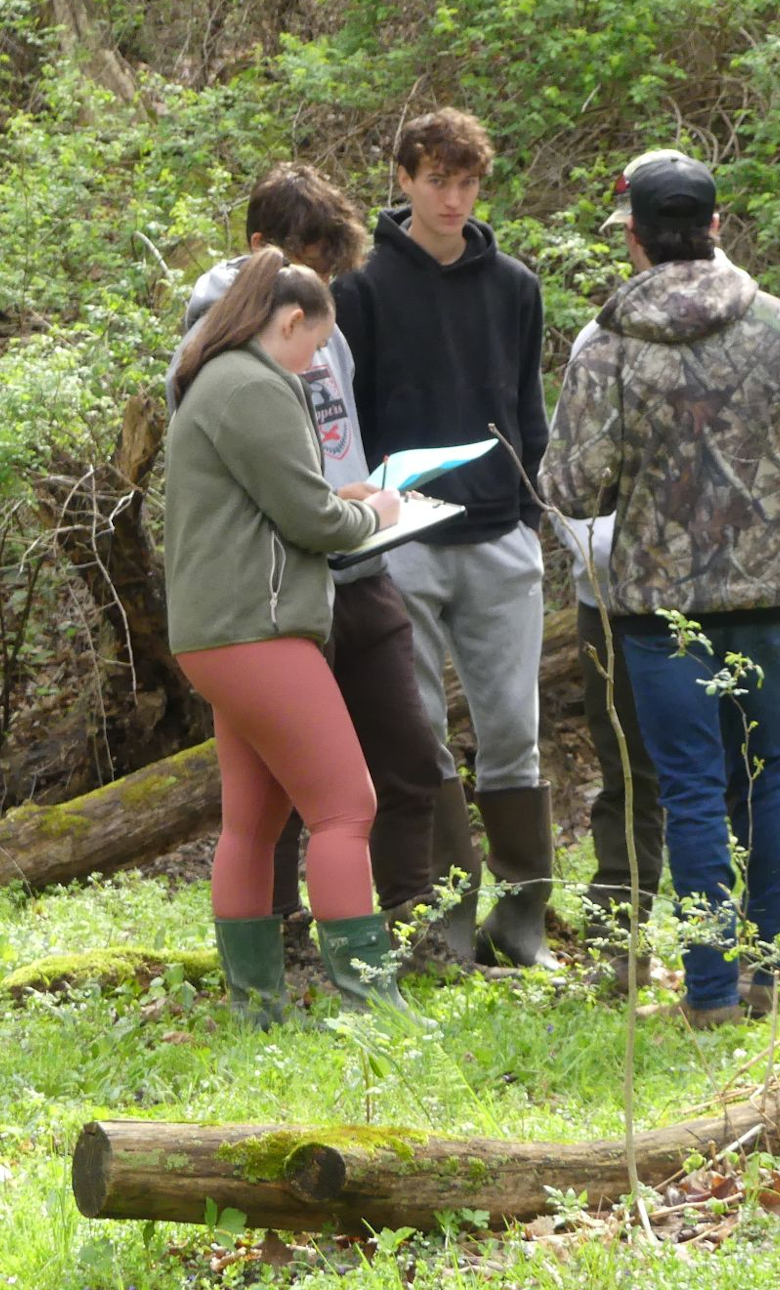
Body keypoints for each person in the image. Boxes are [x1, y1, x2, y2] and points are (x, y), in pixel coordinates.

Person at [542, 151, 780, 1026]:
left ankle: (710, 994)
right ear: (715, 228)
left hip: (657, 614)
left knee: (689, 794)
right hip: (769, 603)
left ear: (633, 238)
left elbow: (567, 488)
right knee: (765, 784)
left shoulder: (606, 349)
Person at [171, 164, 447, 955]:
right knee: (344, 807)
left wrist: (343, 498)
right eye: (313, 348)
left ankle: (254, 998)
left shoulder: (219, 371)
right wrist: (372, 509)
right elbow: (310, 517)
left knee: (253, 820)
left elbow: (276, 493)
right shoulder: (251, 386)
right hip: (257, 622)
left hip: (223, 621)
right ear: (289, 320)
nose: (317, 368)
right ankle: (367, 991)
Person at [334, 108, 555, 969]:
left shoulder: (516, 287)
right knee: (418, 736)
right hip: (404, 539)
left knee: (512, 731)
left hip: (500, 532)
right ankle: (445, 921)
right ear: (404, 180)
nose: (454, 198)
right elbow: (344, 421)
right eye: (437, 180)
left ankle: (523, 915)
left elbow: (529, 412)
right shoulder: (360, 290)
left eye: (467, 182)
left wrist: (530, 506)